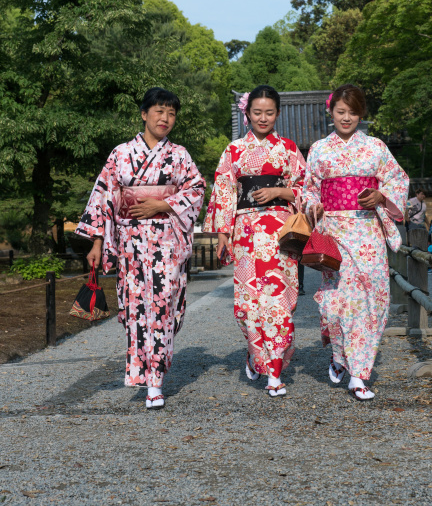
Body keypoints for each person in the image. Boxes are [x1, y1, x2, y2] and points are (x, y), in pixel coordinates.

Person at [76, 87, 205, 409]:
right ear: (144, 114)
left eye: (172, 113)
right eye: (159, 111)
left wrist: (162, 203)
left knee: (162, 308)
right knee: (136, 311)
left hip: (166, 243)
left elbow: (198, 189)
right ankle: (144, 376)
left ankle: (156, 380)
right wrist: (97, 242)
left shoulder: (180, 155)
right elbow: (103, 198)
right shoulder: (120, 154)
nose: (165, 118)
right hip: (131, 244)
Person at [302, 84, 409, 401]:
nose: (346, 118)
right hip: (334, 232)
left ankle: (359, 375)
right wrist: (313, 206)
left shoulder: (376, 147)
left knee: (371, 299)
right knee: (337, 302)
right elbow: (308, 190)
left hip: (367, 233)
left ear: (361, 114)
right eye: (340, 111)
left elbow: (397, 180)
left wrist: (381, 195)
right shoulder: (320, 150)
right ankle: (339, 356)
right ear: (331, 112)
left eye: (352, 112)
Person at [203, 85, 306, 397]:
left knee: (281, 302)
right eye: (257, 112)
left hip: (281, 234)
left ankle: (274, 372)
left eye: (270, 112)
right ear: (246, 113)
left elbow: (307, 189)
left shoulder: (288, 149)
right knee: (248, 305)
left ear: (277, 114)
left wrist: (278, 192)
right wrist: (223, 235)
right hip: (245, 234)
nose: (263, 118)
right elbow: (223, 192)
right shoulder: (234, 151)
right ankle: (255, 355)